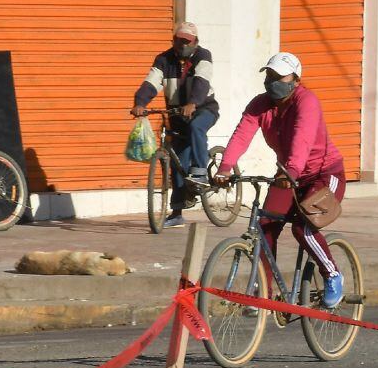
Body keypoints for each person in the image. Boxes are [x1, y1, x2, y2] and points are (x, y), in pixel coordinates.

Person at [213, 51, 346, 308]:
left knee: (303, 227)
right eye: (269, 76)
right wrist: (225, 168)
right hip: (288, 175)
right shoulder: (260, 105)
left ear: (295, 79)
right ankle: (262, 290)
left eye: (279, 76)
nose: (272, 81)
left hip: (324, 173)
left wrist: (293, 170)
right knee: (264, 227)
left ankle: (332, 274)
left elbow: (302, 138)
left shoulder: (306, 101)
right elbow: (242, 134)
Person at [131, 21, 219, 228]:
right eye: (179, 40)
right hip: (177, 114)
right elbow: (152, 81)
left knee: (197, 127)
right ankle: (177, 212)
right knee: (177, 159)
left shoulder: (202, 56)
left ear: (195, 42)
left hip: (204, 108)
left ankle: (200, 171)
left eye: (187, 41)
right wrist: (140, 103)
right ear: (173, 40)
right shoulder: (164, 59)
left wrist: (193, 103)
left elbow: (202, 81)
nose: (182, 44)